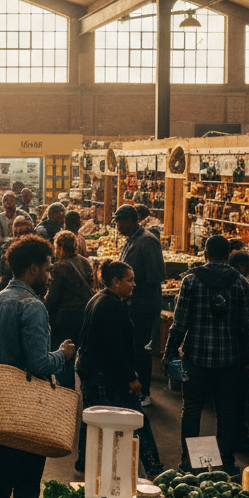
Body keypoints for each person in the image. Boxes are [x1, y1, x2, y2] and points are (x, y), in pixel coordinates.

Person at [0, 234, 74, 498]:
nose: (49, 276)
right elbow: (38, 363)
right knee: (27, 491)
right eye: (47, 269)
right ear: (32, 269)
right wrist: (62, 354)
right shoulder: (31, 307)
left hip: (0, 408)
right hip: (27, 414)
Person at [163, 235, 249, 472]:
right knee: (226, 410)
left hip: (196, 357)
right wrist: (248, 360)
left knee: (192, 408)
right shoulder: (241, 283)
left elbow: (180, 322)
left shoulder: (191, 281)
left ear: (205, 253)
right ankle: (226, 460)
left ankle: (189, 459)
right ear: (229, 256)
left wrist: (170, 351)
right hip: (230, 360)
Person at [77, 260, 163, 476]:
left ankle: (84, 462)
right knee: (136, 418)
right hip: (106, 375)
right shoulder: (112, 305)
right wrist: (131, 377)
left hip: (91, 371)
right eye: (130, 280)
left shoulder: (99, 299)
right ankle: (154, 468)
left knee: (92, 417)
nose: (134, 285)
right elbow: (115, 348)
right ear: (115, 282)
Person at [115, 204, 164, 406]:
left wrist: (130, 285)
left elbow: (156, 276)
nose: (117, 226)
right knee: (132, 347)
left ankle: (144, 392)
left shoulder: (147, 242)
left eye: (120, 222)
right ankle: (135, 388)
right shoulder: (132, 240)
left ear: (131, 221)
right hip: (133, 304)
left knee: (141, 349)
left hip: (143, 306)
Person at [45, 230, 94, 382]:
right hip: (85, 316)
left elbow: (52, 299)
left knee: (64, 357)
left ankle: (66, 392)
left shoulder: (59, 267)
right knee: (78, 355)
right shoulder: (85, 262)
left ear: (59, 248)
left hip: (65, 320)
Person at [0, 215, 35, 296]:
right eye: (16, 234)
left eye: (24, 233)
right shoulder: (5, 249)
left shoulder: (36, 250)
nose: (20, 237)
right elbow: (1, 276)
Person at [0, 192, 18, 258]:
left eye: (11, 200)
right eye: (6, 200)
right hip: (4, 251)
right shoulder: (0, 217)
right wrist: (10, 240)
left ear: (15, 203)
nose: (8, 203)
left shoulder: (23, 215)